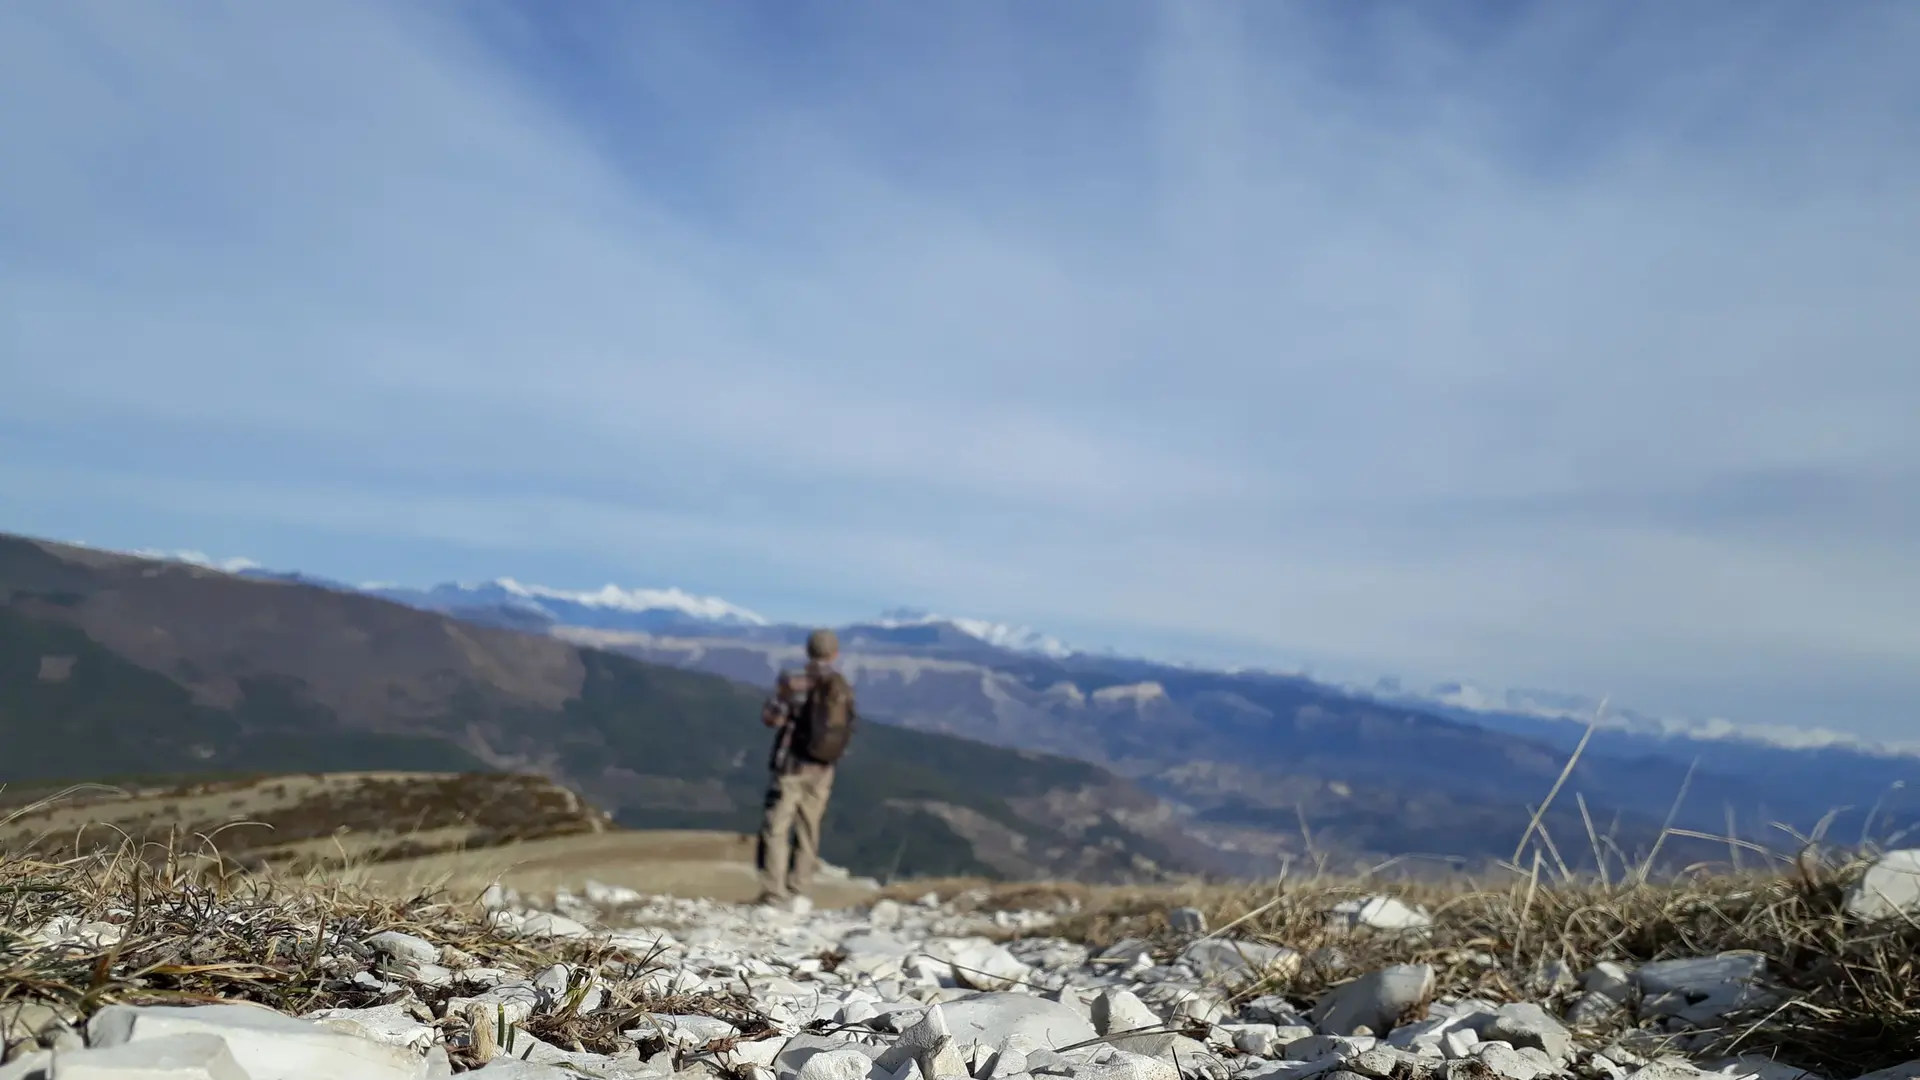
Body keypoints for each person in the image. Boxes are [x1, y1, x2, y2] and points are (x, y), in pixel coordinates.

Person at [755, 627, 858, 905]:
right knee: (809, 827)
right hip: (823, 767)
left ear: (808, 650)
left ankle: (774, 891)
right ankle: (800, 888)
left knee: (777, 826)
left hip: (791, 764)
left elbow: (772, 718)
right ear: (835, 654)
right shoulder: (841, 685)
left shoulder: (793, 680)